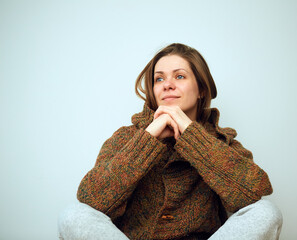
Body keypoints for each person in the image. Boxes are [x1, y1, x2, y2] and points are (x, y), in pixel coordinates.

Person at [58, 43, 283, 240]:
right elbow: (92, 199)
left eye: (180, 76)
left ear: (201, 90)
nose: (167, 84)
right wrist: (148, 138)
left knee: (266, 212)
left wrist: (192, 135)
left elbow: (254, 191)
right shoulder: (125, 138)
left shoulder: (221, 142)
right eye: (159, 79)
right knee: (74, 215)